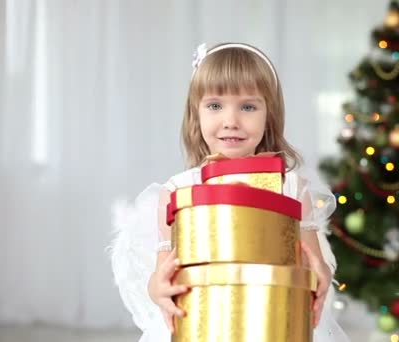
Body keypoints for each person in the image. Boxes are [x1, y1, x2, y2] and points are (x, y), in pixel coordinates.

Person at [109, 42, 350, 342]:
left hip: (271, 323)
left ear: (268, 116)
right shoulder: (177, 191)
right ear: (196, 114)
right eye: (215, 106)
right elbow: (162, 274)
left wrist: (320, 277)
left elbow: (315, 262)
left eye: (248, 107)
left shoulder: (291, 187)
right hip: (200, 324)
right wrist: (158, 289)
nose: (231, 121)